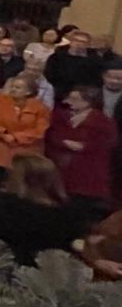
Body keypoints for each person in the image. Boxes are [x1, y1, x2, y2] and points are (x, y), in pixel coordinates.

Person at [47, 85, 118, 216]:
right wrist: (63, 142)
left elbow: (107, 142)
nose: (68, 101)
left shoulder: (102, 121)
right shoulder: (60, 116)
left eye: (75, 99)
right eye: (70, 98)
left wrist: (84, 146)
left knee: (79, 207)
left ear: (88, 102)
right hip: (61, 167)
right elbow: (52, 134)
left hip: (88, 170)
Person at [0, 74, 50, 191]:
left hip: (24, 153)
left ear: (28, 92)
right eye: (13, 86)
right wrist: (3, 133)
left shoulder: (41, 108)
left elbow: (40, 129)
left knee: (18, 187)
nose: (13, 89)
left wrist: (16, 137)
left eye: (18, 87)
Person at [45, 28, 101, 98]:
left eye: (83, 42)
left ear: (88, 45)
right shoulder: (56, 58)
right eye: (76, 40)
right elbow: (49, 75)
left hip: (83, 96)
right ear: (71, 42)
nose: (79, 44)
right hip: (57, 93)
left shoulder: (95, 61)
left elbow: (96, 80)